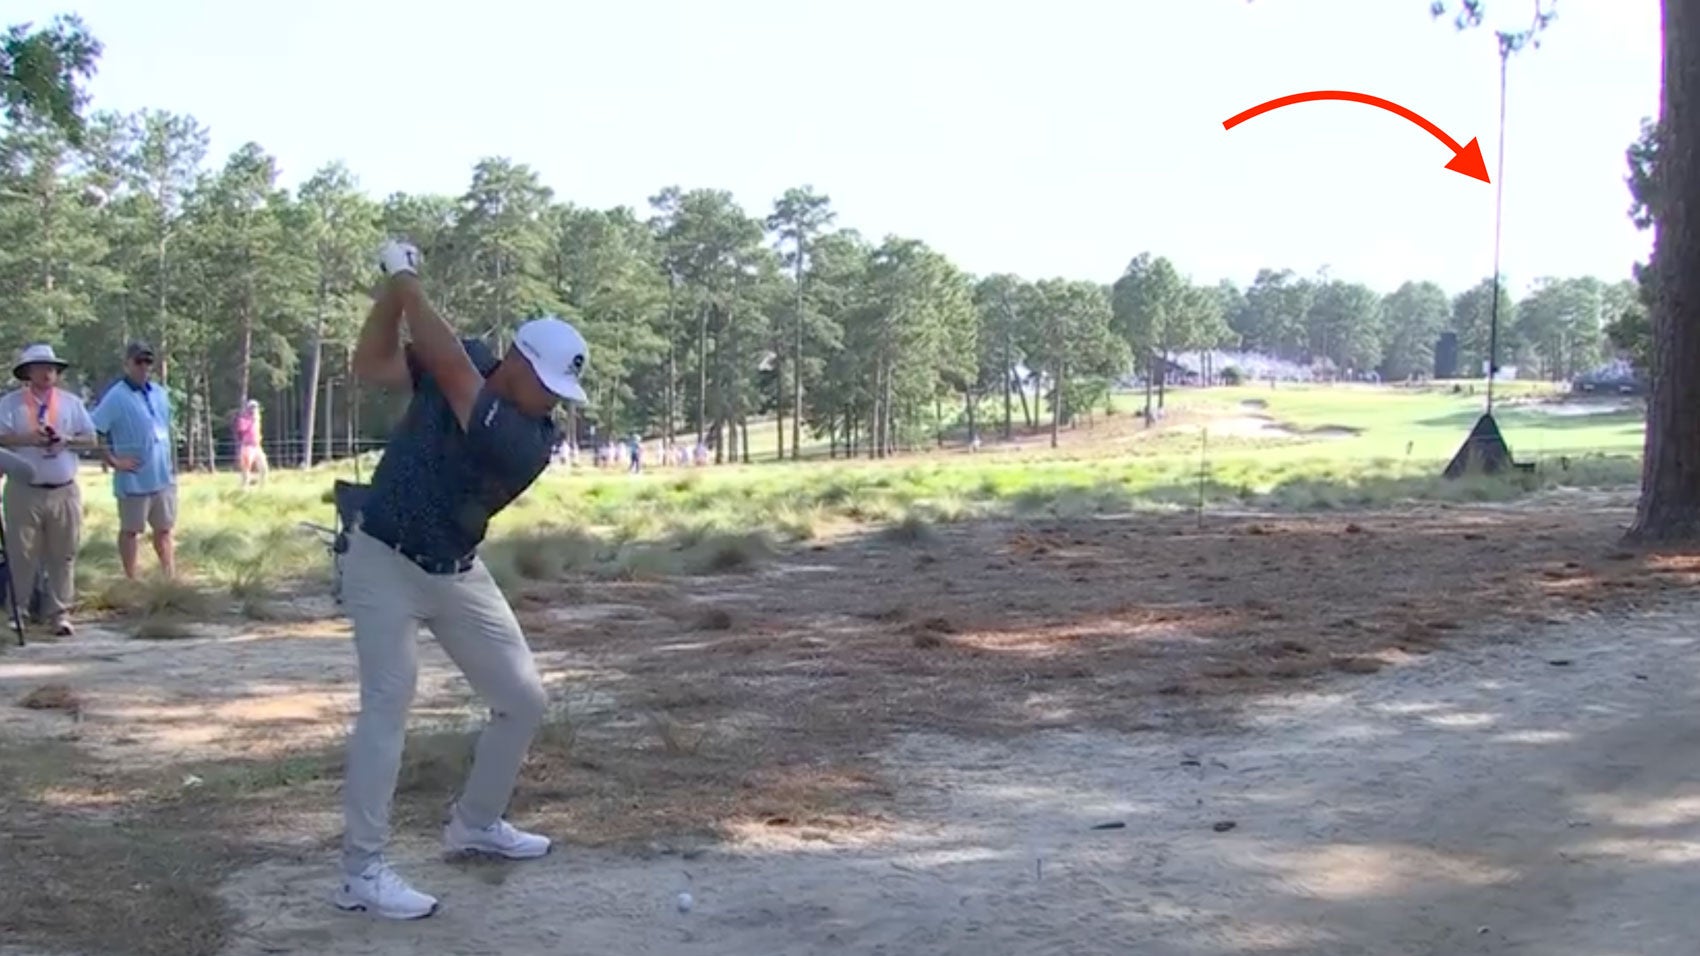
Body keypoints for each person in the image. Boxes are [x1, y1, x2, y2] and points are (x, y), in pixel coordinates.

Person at [334, 239, 589, 921]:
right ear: (516, 364)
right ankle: (362, 871)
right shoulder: (474, 360)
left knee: (522, 698)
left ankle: (476, 821)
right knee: (389, 700)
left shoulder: (526, 439)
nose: (554, 404)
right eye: (550, 387)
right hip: (382, 556)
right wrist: (391, 300)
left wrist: (404, 280)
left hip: (454, 571)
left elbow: (448, 369)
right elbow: (372, 363)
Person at [0, 344, 97, 636]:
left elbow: (91, 439)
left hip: (64, 491)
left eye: (52, 367)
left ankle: (60, 614)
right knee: (22, 553)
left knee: (63, 553)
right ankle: (18, 611)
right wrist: (28, 438)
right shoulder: (10, 403)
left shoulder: (71, 403)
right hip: (24, 490)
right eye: (41, 367)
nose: (48, 372)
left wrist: (66, 439)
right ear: (28, 372)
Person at [90, 342, 177, 579]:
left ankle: (169, 575)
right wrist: (113, 460)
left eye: (148, 362)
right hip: (134, 479)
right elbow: (96, 428)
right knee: (130, 530)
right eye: (138, 362)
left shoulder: (159, 393)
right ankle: (132, 578)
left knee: (165, 529)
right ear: (127, 364)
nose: (143, 367)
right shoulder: (116, 396)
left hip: (162, 475)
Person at [234, 398, 268, 489]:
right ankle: (243, 488)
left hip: (257, 446)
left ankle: (262, 488)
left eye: (255, 407)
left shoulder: (257, 419)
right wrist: (251, 421)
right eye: (252, 408)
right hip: (247, 447)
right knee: (246, 469)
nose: (254, 410)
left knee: (264, 467)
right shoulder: (244, 419)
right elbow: (241, 430)